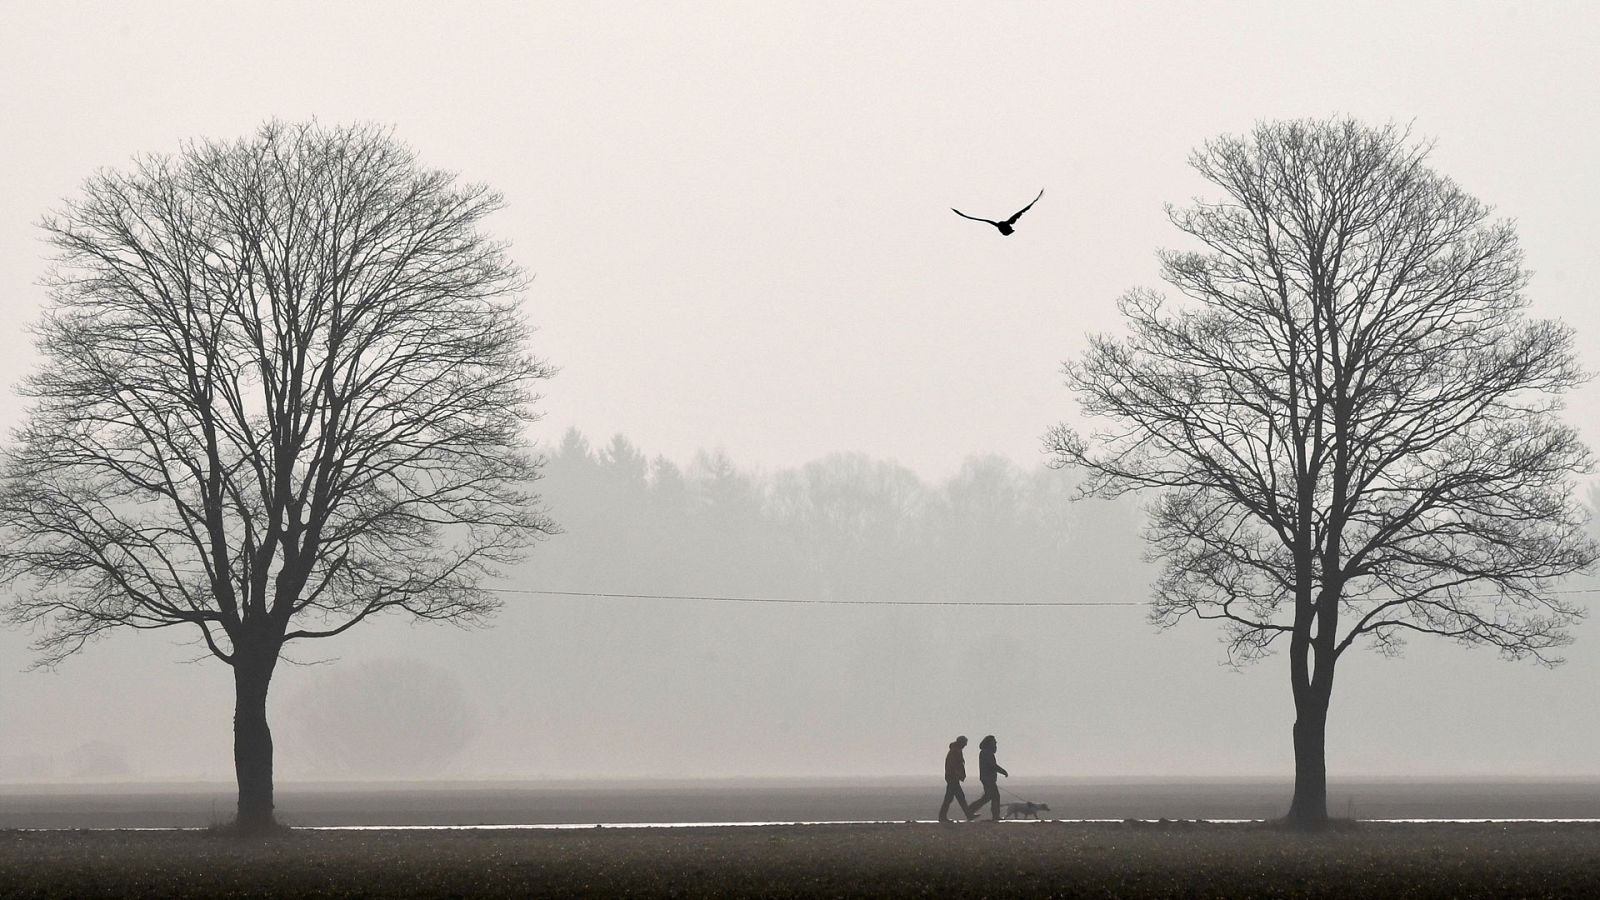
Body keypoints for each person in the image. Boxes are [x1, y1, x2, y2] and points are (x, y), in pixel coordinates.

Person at [966, 734, 1008, 821]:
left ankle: (970, 810)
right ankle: (995, 816)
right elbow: (992, 765)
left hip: (987, 778)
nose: (995, 743)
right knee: (995, 796)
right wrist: (1003, 771)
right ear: (989, 743)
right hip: (988, 779)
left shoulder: (986, 752)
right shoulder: (986, 753)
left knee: (987, 797)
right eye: (994, 742)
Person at [938, 735, 971, 823]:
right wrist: (959, 774)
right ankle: (942, 817)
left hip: (952, 777)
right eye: (965, 743)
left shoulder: (955, 750)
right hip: (953, 777)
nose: (965, 745)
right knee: (956, 797)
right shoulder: (955, 752)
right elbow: (954, 765)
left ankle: (968, 814)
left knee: (955, 797)